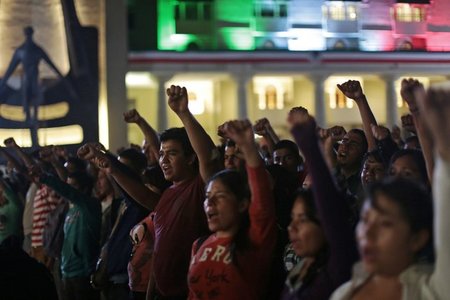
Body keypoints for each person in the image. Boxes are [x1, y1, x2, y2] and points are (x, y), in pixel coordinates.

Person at [331, 86, 450, 300]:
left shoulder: (430, 292)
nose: (368, 233)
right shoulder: (343, 293)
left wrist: (443, 147)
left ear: (417, 238)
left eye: (385, 224)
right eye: (366, 221)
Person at [188, 119, 277, 300]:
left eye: (220, 196)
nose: (210, 202)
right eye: (207, 196)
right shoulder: (199, 245)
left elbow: (262, 203)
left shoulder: (254, 242)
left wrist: (249, 149)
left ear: (242, 204)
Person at [282, 107, 358, 300]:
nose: (292, 227)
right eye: (293, 219)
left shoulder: (338, 266)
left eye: (303, 219)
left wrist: (311, 148)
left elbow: (330, 207)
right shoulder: (303, 267)